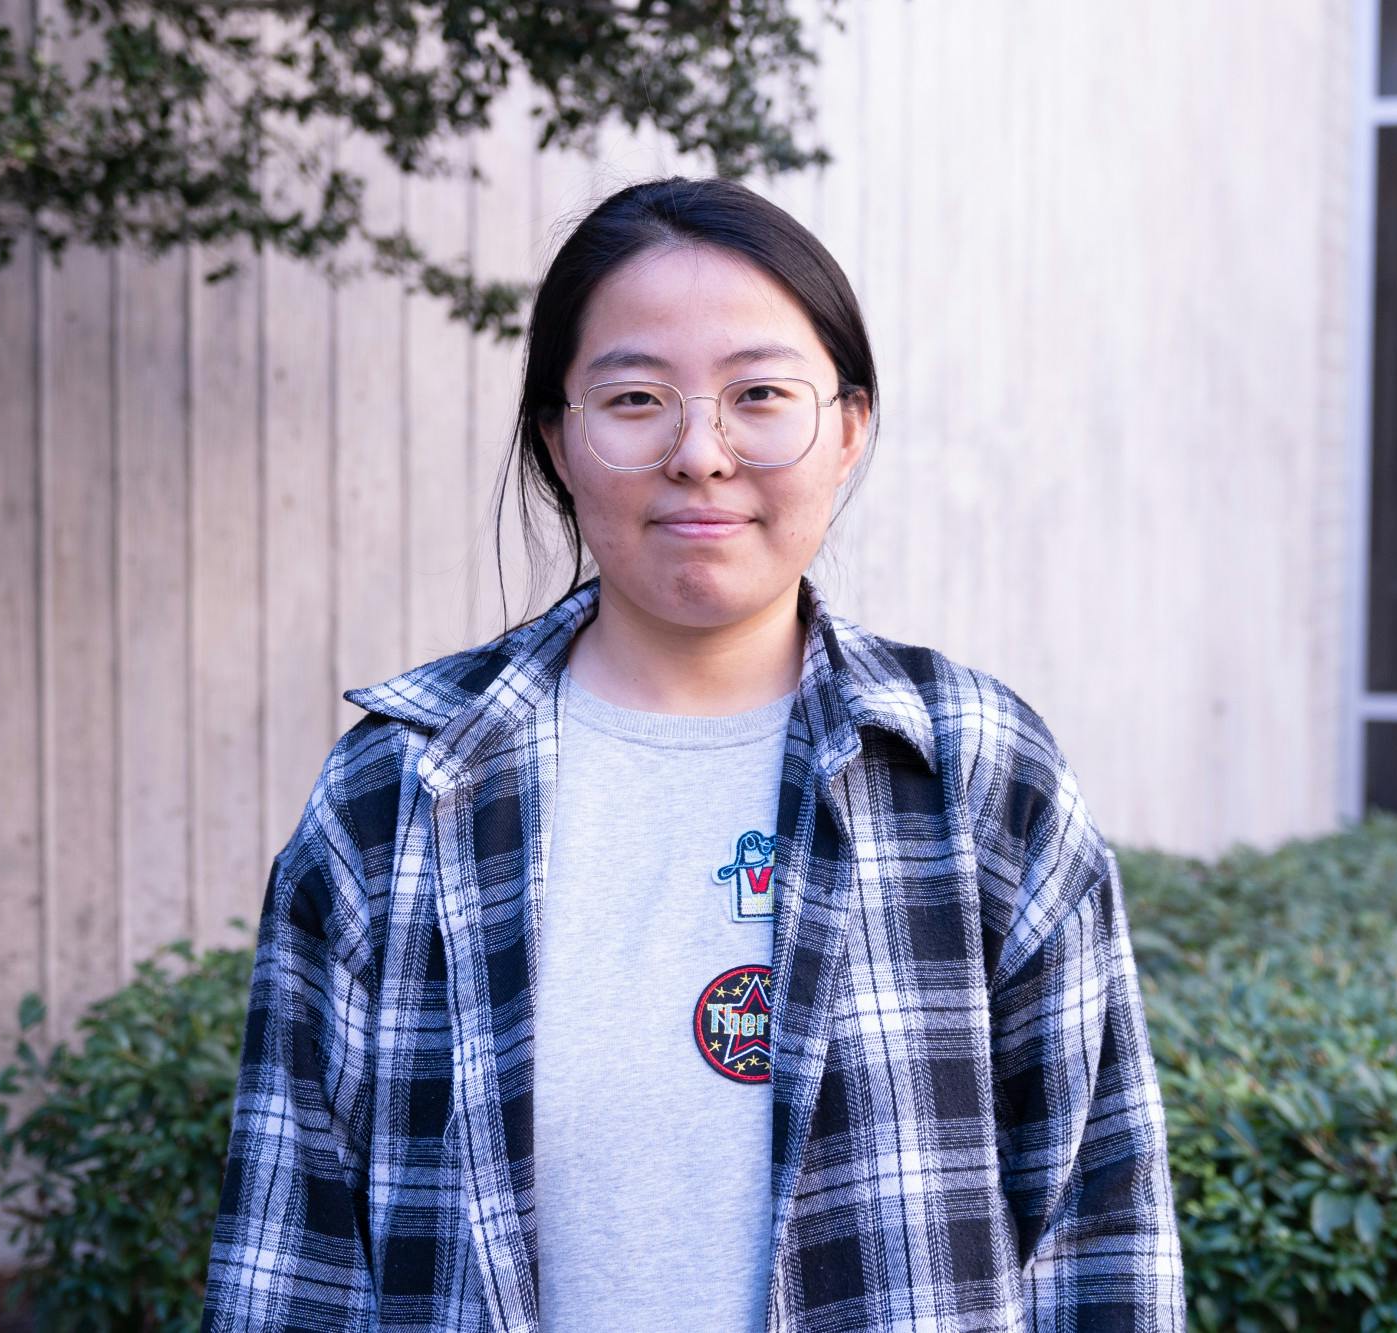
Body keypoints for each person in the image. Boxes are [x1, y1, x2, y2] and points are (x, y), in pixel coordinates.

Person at [201, 175, 1186, 1332]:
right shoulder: (396, 790)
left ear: (848, 428)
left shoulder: (970, 771)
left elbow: (1098, 1226)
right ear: (558, 438)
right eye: (635, 399)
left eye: (759, 394)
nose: (699, 453)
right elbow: (293, 1255)